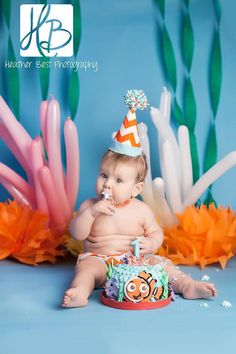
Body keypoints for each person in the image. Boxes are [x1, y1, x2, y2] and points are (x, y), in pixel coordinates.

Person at [62, 90, 217, 308]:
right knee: (86, 270)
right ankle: (80, 292)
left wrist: (151, 243)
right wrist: (91, 213)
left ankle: (187, 286)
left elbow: (156, 233)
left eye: (118, 180)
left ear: (136, 189)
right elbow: (76, 233)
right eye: (104, 175)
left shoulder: (141, 209)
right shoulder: (90, 205)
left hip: (135, 266)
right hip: (100, 263)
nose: (107, 184)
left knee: (162, 264)